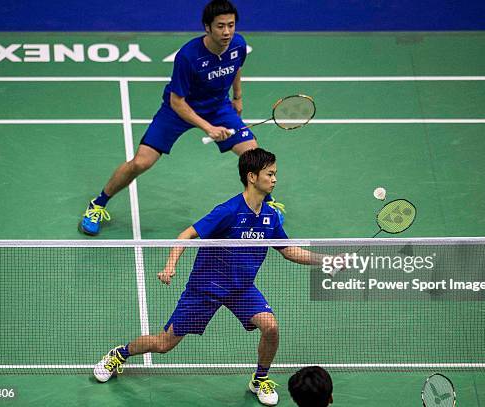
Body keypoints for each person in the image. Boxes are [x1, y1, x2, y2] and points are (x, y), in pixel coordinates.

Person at [93, 148, 322, 406]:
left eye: (275, 174)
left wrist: (326, 261)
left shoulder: (269, 216)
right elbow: (186, 234)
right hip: (206, 288)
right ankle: (119, 354)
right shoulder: (228, 211)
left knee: (271, 327)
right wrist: (170, 265)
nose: (275, 179)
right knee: (163, 343)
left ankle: (259, 379)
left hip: (241, 289)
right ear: (252, 177)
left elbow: (288, 250)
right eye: (270, 174)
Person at [79, 0, 283, 236]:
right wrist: (209, 128)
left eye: (231, 25)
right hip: (179, 110)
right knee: (140, 162)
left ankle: (266, 203)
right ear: (207, 27)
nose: (227, 32)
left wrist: (237, 97)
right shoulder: (189, 56)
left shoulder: (238, 45)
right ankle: (98, 204)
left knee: (254, 156)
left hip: (218, 106)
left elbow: (236, 67)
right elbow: (177, 102)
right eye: (220, 26)